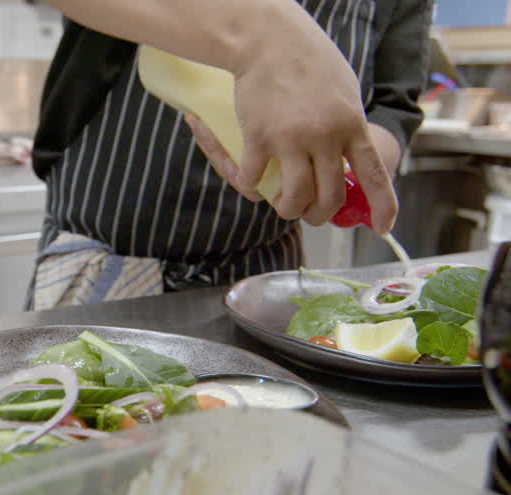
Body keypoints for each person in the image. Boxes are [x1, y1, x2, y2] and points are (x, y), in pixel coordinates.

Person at [27, 0, 433, 309]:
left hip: (262, 272)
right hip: (100, 272)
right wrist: (261, 31)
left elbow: (393, 105)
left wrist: (349, 173)